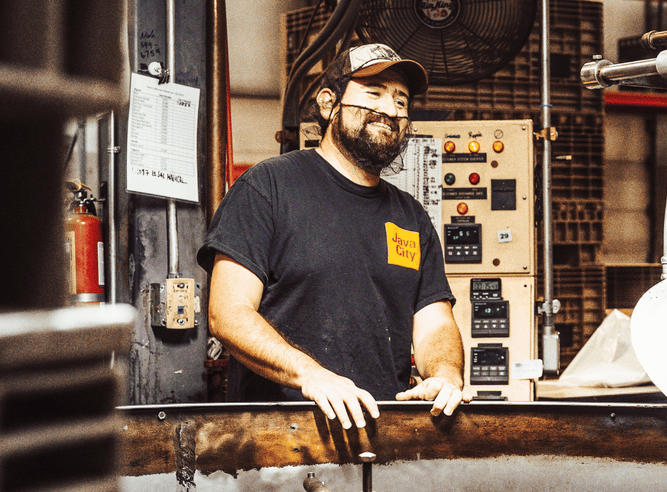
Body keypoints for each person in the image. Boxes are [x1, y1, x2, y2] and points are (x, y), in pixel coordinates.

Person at [197, 44, 469, 430]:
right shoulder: (268, 187)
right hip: (279, 443)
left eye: (401, 100)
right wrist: (312, 375)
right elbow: (228, 314)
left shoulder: (411, 217)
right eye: (373, 93)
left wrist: (444, 375)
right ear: (329, 104)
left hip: (381, 439)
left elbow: (434, 324)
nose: (390, 110)